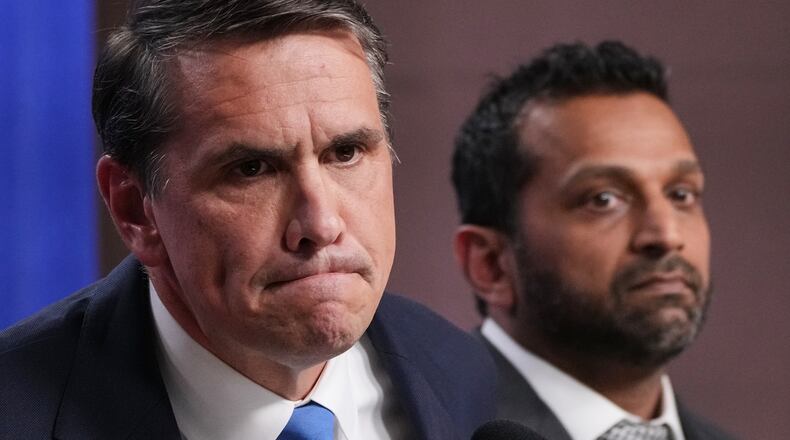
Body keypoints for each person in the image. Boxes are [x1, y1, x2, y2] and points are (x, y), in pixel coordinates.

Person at [0, 1, 496, 439]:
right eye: (251, 169)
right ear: (135, 209)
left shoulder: (462, 372)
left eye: (345, 152)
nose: (321, 225)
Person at [452, 41, 734, 440]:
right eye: (603, 200)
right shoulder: (423, 426)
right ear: (492, 264)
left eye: (681, 194)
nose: (666, 235)